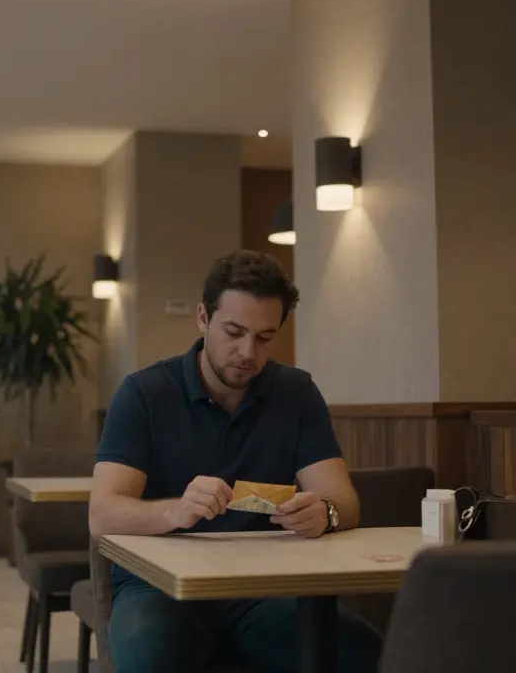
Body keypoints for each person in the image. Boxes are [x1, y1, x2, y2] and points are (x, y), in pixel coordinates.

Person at [88, 250, 383, 673]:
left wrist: (325, 513)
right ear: (203, 318)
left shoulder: (296, 393)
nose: (247, 352)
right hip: (158, 588)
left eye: (264, 337)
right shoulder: (144, 394)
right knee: (147, 653)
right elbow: (102, 515)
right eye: (234, 332)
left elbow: (344, 501)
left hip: (263, 591)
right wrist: (175, 511)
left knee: (371, 655)